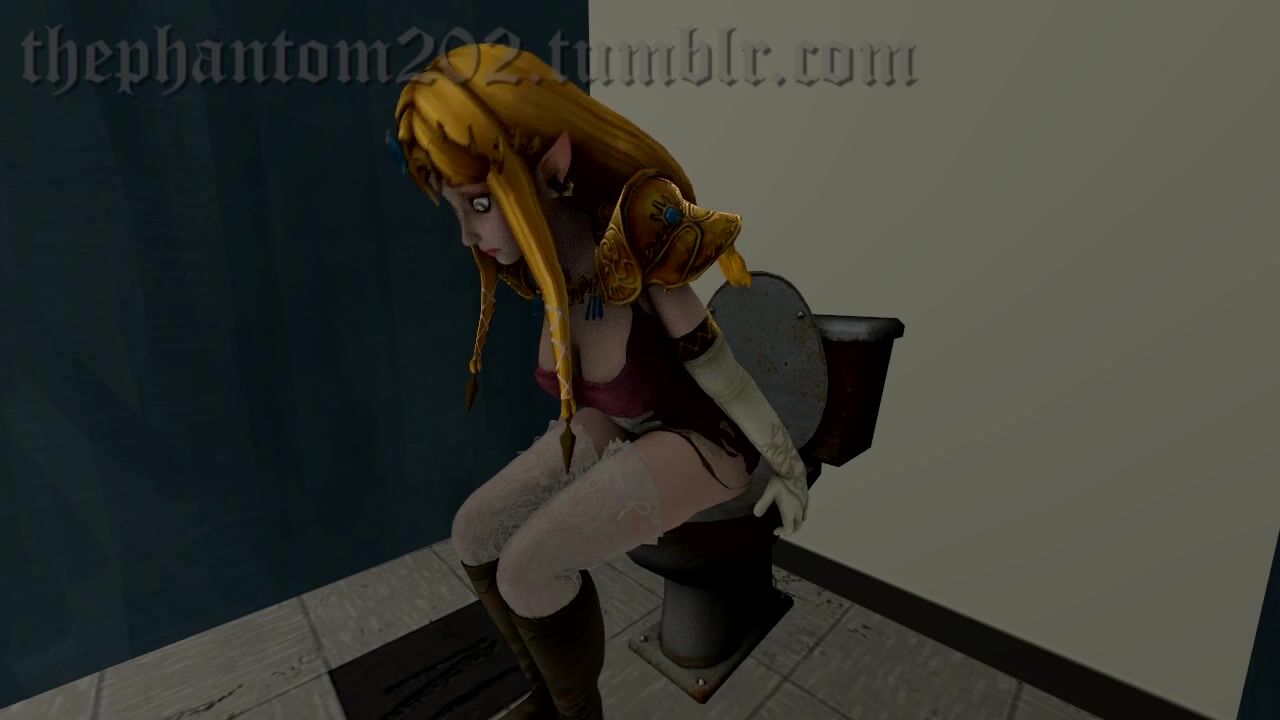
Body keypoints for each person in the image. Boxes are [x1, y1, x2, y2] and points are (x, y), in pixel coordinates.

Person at [389, 44, 809, 720]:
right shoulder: (547, 275)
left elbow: (726, 379)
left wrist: (789, 470)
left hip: (702, 442)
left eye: (480, 203)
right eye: (456, 209)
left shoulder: (639, 257)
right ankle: (548, 698)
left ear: (554, 167)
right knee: (472, 533)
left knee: (528, 569)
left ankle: (576, 714)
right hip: (622, 425)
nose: (467, 235)